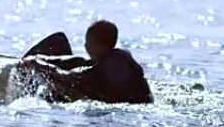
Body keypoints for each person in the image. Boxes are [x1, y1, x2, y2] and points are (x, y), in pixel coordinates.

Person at [21, 20, 154, 104]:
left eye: (88, 42)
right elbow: (80, 62)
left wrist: (36, 64)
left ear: (99, 45)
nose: (85, 46)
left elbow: (67, 78)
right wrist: (43, 59)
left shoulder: (107, 68)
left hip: (130, 107)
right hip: (136, 104)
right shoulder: (119, 58)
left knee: (52, 93)